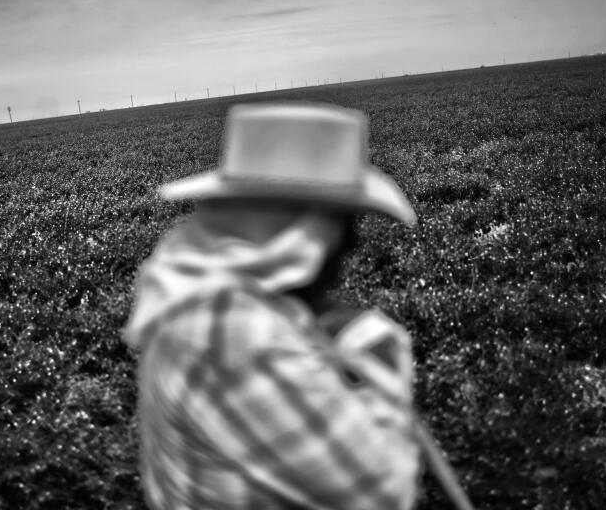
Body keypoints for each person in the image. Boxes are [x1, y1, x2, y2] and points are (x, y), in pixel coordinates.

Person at [122, 102, 422, 509]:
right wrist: (376, 349)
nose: (352, 244)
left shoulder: (196, 296)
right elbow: (385, 494)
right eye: (345, 226)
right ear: (301, 235)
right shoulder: (236, 333)